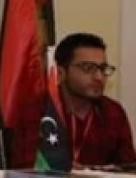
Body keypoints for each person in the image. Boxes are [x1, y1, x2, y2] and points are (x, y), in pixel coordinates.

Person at [53, 32, 135, 167]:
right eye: (88, 68)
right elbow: (23, 166)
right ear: (60, 73)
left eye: (103, 68)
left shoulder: (113, 112)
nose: (99, 77)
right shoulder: (40, 109)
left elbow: (128, 167)